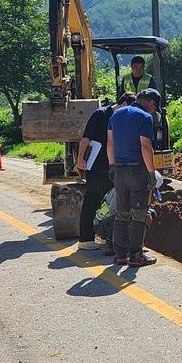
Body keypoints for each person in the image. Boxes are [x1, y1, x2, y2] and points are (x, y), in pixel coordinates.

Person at [107, 88, 163, 268]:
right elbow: (146, 146)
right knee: (139, 214)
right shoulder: (145, 117)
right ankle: (136, 256)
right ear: (152, 103)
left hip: (119, 170)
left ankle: (120, 255)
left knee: (122, 213)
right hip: (137, 171)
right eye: (155, 109)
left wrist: (112, 165)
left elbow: (110, 142)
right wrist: (151, 173)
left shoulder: (116, 115)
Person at [78, 95, 122, 249]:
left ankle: (105, 234)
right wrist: (80, 159)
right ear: (122, 104)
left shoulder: (120, 117)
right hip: (96, 165)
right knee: (92, 199)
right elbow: (85, 138)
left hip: (110, 165)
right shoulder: (100, 114)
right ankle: (85, 238)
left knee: (109, 201)